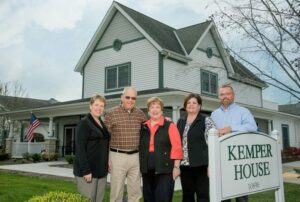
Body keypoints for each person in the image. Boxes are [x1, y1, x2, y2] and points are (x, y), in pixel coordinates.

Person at [211, 84, 257, 202]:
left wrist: (231, 128)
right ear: (219, 97)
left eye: (228, 94)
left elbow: (252, 127)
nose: (225, 96)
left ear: (233, 95)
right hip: (221, 158)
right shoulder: (214, 114)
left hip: (239, 159)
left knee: (241, 196)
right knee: (223, 195)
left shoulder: (243, 111)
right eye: (222, 94)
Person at [105, 86, 147, 202]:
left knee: (135, 191)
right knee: (116, 191)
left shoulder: (140, 114)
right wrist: (107, 158)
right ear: (121, 98)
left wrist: (165, 120)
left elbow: (149, 130)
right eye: (127, 97)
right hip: (117, 156)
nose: (130, 100)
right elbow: (105, 138)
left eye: (133, 98)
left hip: (135, 157)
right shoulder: (111, 113)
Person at [139, 97, 183, 202]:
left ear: (162, 110)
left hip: (165, 169)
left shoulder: (170, 125)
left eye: (158, 107)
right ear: (148, 111)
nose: (155, 110)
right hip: (147, 169)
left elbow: (177, 147)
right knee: (149, 198)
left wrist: (176, 167)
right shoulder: (143, 127)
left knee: (163, 198)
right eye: (152, 107)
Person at [177, 93, 215, 202]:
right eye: (188, 103)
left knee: (202, 196)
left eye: (194, 103)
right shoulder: (180, 121)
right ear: (185, 105)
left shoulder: (206, 121)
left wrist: (211, 165)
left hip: (201, 165)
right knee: (187, 196)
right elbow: (176, 142)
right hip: (184, 166)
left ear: (199, 106)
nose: (191, 105)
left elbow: (212, 144)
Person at [73, 94, 110, 202]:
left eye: (102, 106)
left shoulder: (102, 124)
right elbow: (80, 149)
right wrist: (86, 171)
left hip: (101, 171)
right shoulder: (84, 123)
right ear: (90, 106)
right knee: (87, 200)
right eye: (96, 105)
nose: (99, 108)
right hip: (88, 172)